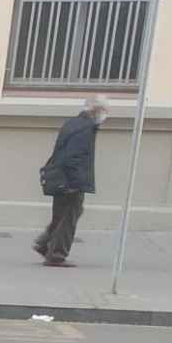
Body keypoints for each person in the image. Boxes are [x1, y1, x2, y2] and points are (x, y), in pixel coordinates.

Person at [34, 96, 107, 267]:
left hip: (61, 177)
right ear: (95, 111)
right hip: (69, 181)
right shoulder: (86, 129)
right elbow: (74, 157)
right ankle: (57, 255)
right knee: (69, 217)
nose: (105, 116)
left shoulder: (72, 123)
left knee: (61, 215)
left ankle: (44, 244)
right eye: (104, 111)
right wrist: (75, 184)